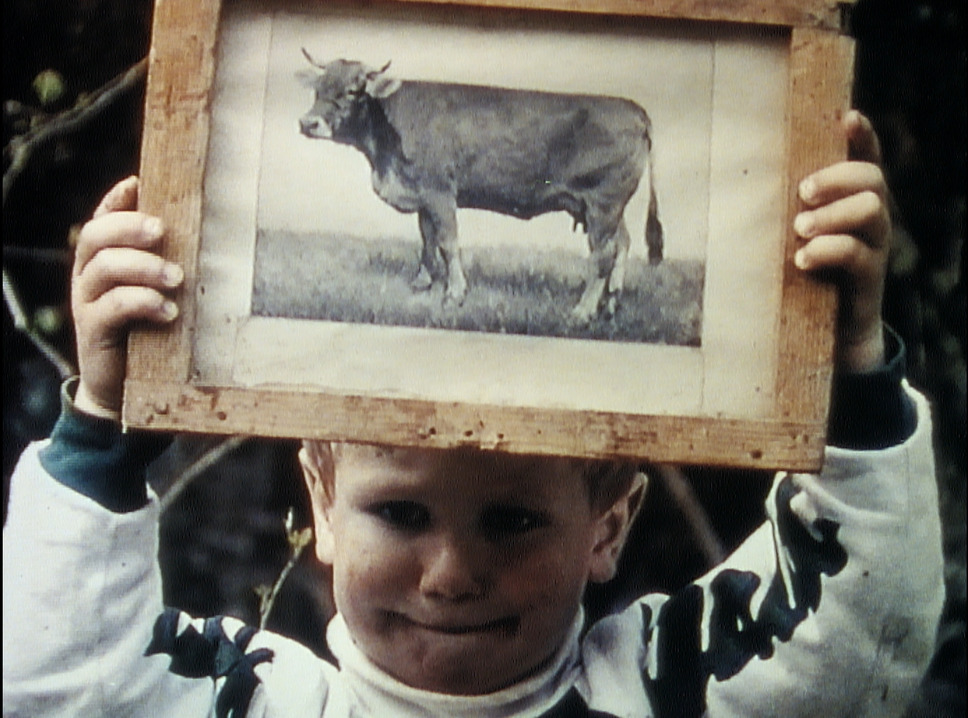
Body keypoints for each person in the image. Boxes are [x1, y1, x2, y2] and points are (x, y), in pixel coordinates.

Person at [2, 111, 945, 717]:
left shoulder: (663, 687)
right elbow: (55, 680)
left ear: (609, 522)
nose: (453, 574)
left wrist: (850, 372)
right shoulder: (257, 701)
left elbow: (851, 651)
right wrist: (103, 424)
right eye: (401, 513)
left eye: (515, 519)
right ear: (323, 503)